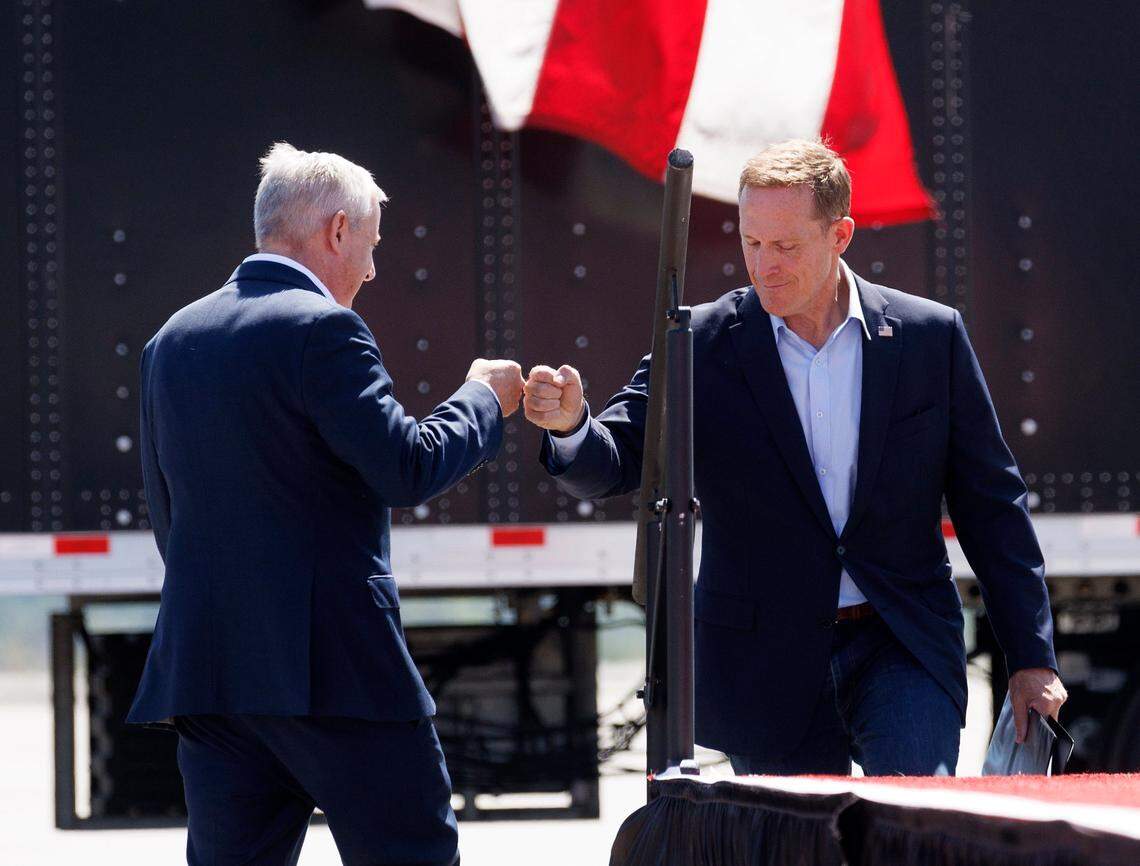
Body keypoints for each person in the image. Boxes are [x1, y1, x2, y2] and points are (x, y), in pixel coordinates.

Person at [524, 139, 1066, 776]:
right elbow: (618, 458)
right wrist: (570, 426)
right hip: (764, 665)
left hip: (902, 645)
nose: (764, 266)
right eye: (752, 243)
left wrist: (1032, 658)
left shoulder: (929, 337)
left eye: (785, 246)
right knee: (793, 832)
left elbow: (991, 505)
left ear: (841, 235)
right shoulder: (701, 342)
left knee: (913, 819)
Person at [128, 142, 524, 865]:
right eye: (371, 245)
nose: (371, 271)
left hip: (211, 674)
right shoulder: (323, 329)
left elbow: (170, 518)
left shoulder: (170, 341)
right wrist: (483, 400)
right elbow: (406, 466)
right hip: (336, 674)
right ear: (338, 230)